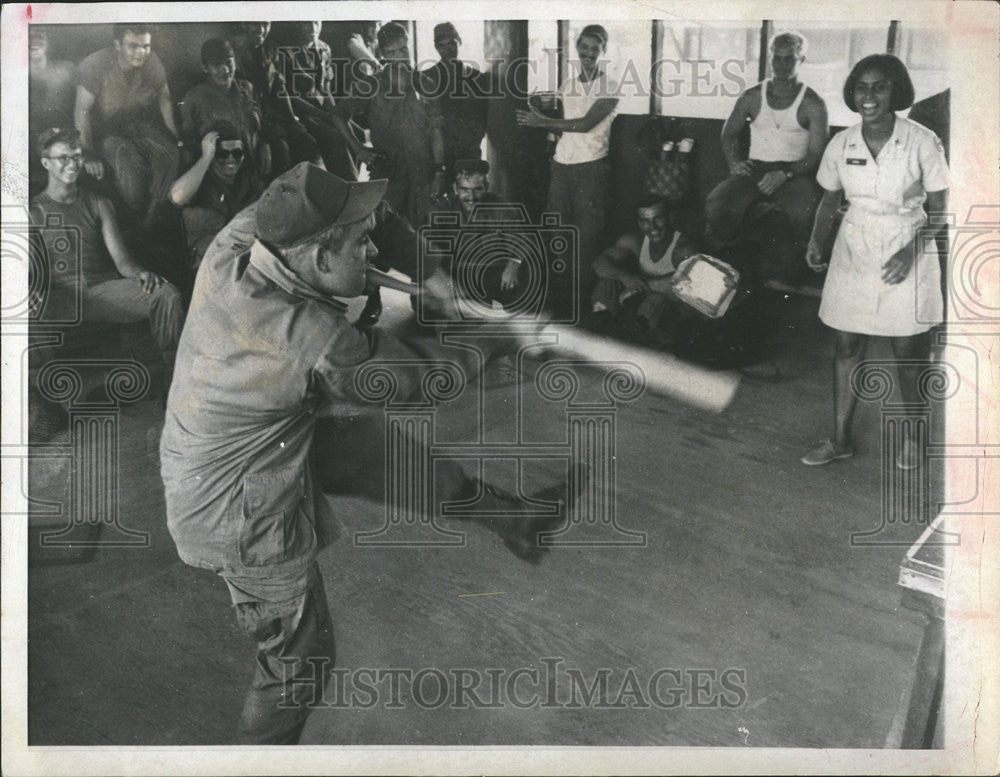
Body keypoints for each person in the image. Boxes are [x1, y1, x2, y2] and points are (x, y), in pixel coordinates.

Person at [159, 163, 574, 744]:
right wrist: (496, 337)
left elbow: (378, 221)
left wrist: (430, 272)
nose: (373, 246)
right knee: (300, 666)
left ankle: (517, 519)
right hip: (235, 502)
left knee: (373, 449)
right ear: (321, 258)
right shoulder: (303, 336)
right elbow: (422, 379)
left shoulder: (248, 234)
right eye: (360, 245)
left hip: (260, 433)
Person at [800, 54, 948, 469]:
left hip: (908, 244)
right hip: (855, 246)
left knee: (907, 350)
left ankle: (914, 440)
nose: (869, 96)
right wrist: (817, 239)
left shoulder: (921, 140)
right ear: (852, 93)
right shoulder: (842, 142)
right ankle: (840, 438)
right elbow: (830, 198)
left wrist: (910, 251)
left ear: (896, 91)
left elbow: (941, 205)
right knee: (846, 344)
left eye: (879, 87)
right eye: (861, 87)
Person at [30, 127, 184, 366]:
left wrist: (139, 272)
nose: (72, 164)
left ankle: (174, 376)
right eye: (63, 158)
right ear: (46, 163)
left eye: (76, 156)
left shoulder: (99, 203)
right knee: (20, 314)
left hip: (101, 290)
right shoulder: (32, 210)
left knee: (166, 294)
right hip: (60, 297)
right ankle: (46, 391)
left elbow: (121, 259)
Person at [703, 31, 829, 284]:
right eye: (777, 58)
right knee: (718, 203)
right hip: (756, 168)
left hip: (795, 172)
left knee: (803, 214)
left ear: (801, 60)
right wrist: (734, 164)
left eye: (789, 59)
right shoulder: (752, 96)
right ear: (770, 58)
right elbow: (728, 134)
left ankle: (793, 273)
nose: (782, 65)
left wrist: (786, 173)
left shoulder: (813, 103)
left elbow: (816, 154)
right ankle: (729, 266)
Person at [515, 24, 620, 314]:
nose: (588, 53)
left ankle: (582, 307)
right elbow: (562, 127)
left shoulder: (609, 86)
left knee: (586, 239)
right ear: (577, 48)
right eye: (584, 47)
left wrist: (541, 122)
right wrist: (543, 119)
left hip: (591, 168)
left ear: (603, 50)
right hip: (562, 167)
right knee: (558, 235)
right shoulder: (568, 85)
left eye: (594, 48)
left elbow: (585, 125)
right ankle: (559, 303)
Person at [333, 22, 447, 227]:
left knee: (424, 231)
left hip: (422, 172)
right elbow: (338, 115)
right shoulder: (371, 84)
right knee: (386, 231)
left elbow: (436, 131)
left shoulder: (427, 84)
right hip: (388, 172)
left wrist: (439, 171)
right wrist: (359, 149)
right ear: (383, 54)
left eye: (403, 49)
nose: (401, 57)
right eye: (392, 52)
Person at [75, 23, 181, 226]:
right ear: (117, 45)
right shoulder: (95, 65)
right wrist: (87, 152)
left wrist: (177, 137)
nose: (141, 52)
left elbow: (165, 99)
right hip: (104, 132)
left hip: (137, 125)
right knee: (129, 164)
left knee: (171, 155)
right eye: (133, 46)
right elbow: (82, 111)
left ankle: (153, 218)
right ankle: (136, 218)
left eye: (146, 46)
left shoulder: (152, 60)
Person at [589, 197, 699, 337]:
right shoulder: (635, 240)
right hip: (639, 297)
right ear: (639, 223)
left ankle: (639, 339)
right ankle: (600, 328)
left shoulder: (683, 247)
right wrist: (626, 277)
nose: (652, 227)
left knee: (658, 301)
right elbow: (598, 263)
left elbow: (689, 283)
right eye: (645, 221)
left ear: (670, 218)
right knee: (606, 283)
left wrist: (640, 286)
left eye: (658, 219)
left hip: (669, 308)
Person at [230, 21, 324, 175]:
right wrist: (263, 139)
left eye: (265, 24)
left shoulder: (270, 48)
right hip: (252, 121)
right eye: (255, 24)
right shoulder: (234, 53)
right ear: (244, 24)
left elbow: (280, 87)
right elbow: (242, 103)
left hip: (274, 116)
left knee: (308, 143)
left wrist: (292, 120)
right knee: (282, 152)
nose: (261, 30)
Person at [168, 121, 264, 268]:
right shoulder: (197, 177)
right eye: (222, 154)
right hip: (207, 258)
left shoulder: (248, 179)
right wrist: (206, 157)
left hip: (243, 251)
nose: (231, 159)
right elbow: (178, 197)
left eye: (237, 153)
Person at [179, 39, 266, 177]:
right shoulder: (194, 99)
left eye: (228, 62)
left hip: (250, 167)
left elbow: (259, 127)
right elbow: (189, 142)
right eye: (216, 64)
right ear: (205, 67)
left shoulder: (247, 89)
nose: (225, 69)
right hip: (217, 172)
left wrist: (263, 146)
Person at [419, 22, 491, 184]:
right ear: (436, 47)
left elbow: (483, 115)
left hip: (469, 151)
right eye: (441, 45)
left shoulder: (476, 77)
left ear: (459, 40)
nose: (448, 50)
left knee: (469, 196)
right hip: (439, 154)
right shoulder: (427, 77)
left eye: (451, 43)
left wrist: (473, 140)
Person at [29, 28, 77, 194]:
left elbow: (83, 111)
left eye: (39, 36)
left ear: (47, 41)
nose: (34, 41)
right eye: (28, 36)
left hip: (67, 136)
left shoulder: (67, 70)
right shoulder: (9, 76)